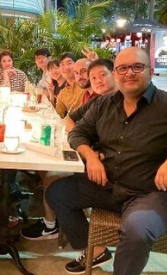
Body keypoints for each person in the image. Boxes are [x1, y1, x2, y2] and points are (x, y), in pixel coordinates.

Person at [46, 47, 167, 275]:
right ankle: (96, 250)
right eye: (122, 68)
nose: (129, 73)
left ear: (150, 71)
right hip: (109, 187)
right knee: (56, 193)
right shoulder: (105, 104)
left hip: (151, 194)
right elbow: (77, 132)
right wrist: (90, 156)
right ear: (116, 73)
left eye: (137, 67)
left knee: (137, 230)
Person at [20, 59, 117, 241]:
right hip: (90, 160)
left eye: (102, 75)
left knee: (52, 179)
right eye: (93, 77)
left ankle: (60, 231)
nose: (96, 80)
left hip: (111, 177)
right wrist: (84, 144)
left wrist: (93, 153)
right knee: (49, 173)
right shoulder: (100, 101)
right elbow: (69, 119)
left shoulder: (126, 103)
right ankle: (91, 248)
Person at [65, 58, 117, 132]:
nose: (98, 81)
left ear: (114, 74)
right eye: (94, 78)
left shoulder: (127, 101)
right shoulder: (97, 100)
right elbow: (71, 118)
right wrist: (76, 135)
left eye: (102, 75)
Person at [55, 52, 85, 118]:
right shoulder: (62, 93)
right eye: (62, 64)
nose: (66, 67)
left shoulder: (85, 84)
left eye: (69, 63)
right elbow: (57, 115)